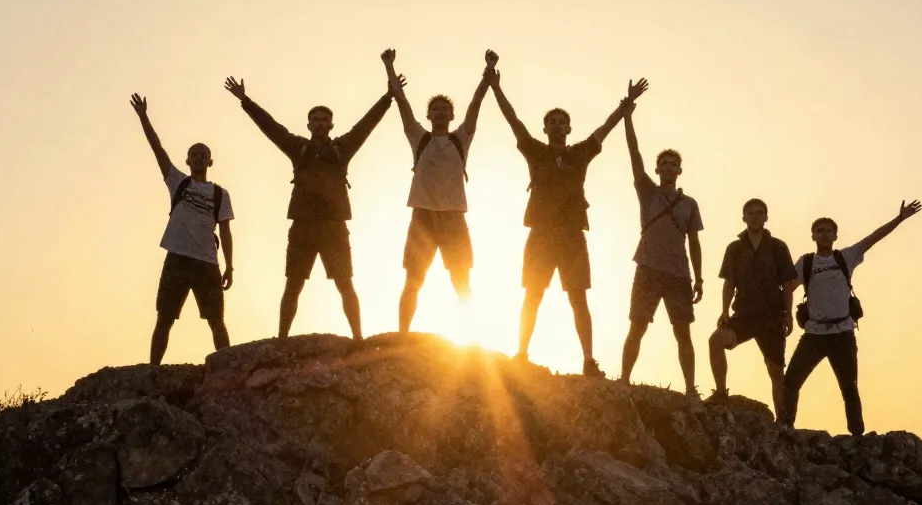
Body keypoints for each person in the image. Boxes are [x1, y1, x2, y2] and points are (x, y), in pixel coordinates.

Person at [492, 62, 647, 376]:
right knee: (533, 295)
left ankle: (589, 361)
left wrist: (626, 104)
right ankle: (521, 354)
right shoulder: (535, 151)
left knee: (578, 297)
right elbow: (513, 121)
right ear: (546, 128)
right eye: (553, 122)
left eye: (563, 122)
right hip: (540, 234)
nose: (558, 125)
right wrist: (496, 87)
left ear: (568, 129)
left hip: (572, 234)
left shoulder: (579, 154)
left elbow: (605, 128)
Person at [225, 70, 395, 340]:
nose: (319, 123)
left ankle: (358, 338)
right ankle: (282, 338)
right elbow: (271, 127)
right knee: (293, 285)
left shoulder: (341, 150)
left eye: (324, 120)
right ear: (308, 125)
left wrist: (388, 97)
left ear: (330, 125)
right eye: (314, 120)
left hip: (334, 227)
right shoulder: (298, 148)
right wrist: (246, 101)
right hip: (303, 226)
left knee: (345, 285)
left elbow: (365, 126)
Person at [782, 200, 922, 435]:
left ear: (835, 236)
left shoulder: (846, 257)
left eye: (829, 231)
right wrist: (780, 313)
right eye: (820, 231)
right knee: (791, 382)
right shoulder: (805, 263)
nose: (824, 234)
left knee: (849, 387)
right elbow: (788, 288)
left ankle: (857, 436)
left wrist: (899, 218)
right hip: (814, 334)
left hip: (843, 334)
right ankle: (785, 427)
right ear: (813, 236)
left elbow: (874, 238)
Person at [382, 48, 496, 334]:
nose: (441, 112)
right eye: (436, 109)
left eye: (445, 109)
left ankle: (471, 341)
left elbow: (477, 103)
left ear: (452, 115)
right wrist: (389, 66)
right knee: (414, 280)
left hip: (454, 218)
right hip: (422, 217)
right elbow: (401, 102)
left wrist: (487, 73)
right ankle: (403, 336)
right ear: (429, 114)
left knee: (461, 281)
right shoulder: (419, 138)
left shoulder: (461, 139)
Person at [129, 94, 234, 365]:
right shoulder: (178, 182)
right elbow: (157, 148)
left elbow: (226, 233)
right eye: (194, 155)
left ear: (210, 162)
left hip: (207, 263)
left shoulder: (220, 194)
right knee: (164, 318)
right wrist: (143, 117)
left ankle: (227, 369)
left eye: (204, 155)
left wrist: (230, 266)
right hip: (177, 259)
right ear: (187, 160)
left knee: (216, 321)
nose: (198, 158)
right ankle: (153, 369)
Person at [616, 109, 705, 396]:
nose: (668, 167)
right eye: (663, 164)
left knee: (683, 332)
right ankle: (624, 379)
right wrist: (627, 117)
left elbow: (694, 242)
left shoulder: (689, 203)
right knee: (637, 325)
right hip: (648, 268)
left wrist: (699, 278)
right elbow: (634, 154)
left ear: (679, 171)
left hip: (679, 273)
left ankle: (691, 388)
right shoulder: (648, 192)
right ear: (657, 170)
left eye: (673, 164)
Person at [707, 198, 799, 415]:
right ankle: (721, 393)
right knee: (716, 340)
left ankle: (783, 421)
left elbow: (787, 284)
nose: (755, 216)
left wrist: (789, 315)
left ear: (766, 217)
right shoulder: (735, 248)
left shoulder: (778, 247)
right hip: (744, 314)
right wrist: (724, 310)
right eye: (750, 213)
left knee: (776, 371)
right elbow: (729, 282)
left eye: (760, 213)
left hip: (771, 315)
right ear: (744, 217)